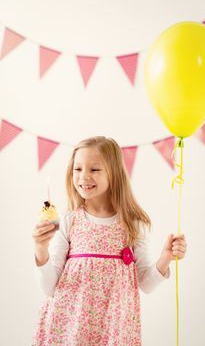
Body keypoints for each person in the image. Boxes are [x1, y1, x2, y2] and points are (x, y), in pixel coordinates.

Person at [32, 136, 187, 345]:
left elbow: (146, 284)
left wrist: (165, 258)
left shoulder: (132, 224)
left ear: (114, 173)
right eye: (78, 169)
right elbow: (49, 288)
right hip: (69, 328)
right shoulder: (70, 220)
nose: (84, 177)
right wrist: (41, 250)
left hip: (115, 330)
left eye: (94, 169)